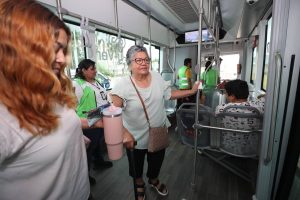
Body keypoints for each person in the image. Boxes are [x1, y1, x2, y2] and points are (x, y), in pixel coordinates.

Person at [0, 1, 135, 200]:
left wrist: (83, 131)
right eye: (54, 48)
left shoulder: (50, 90)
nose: (62, 59)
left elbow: (56, 125)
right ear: (19, 48)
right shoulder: (4, 117)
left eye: (63, 50)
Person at [111, 45, 200, 200]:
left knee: (156, 162)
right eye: (138, 60)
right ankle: (139, 183)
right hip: (135, 137)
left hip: (158, 132)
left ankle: (153, 179)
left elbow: (169, 94)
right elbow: (112, 113)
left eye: (146, 59)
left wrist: (191, 91)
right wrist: (124, 133)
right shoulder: (122, 85)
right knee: (136, 166)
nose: (144, 63)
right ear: (129, 64)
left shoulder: (156, 76)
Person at [73, 59, 113, 185]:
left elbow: (103, 96)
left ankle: (99, 162)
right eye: (92, 69)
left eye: (95, 68)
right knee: (87, 150)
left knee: (97, 142)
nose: (95, 71)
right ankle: (85, 175)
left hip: (100, 116)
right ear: (83, 71)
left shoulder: (95, 82)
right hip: (88, 120)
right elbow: (72, 106)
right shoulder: (77, 84)